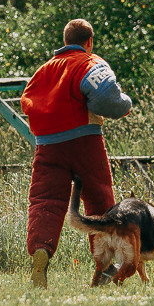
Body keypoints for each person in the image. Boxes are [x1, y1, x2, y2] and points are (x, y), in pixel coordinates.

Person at [20, 19, 132, 288]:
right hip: (85, 143)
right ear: (89, 41)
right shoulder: (88, 62)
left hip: (47, 147)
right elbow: (107, 97)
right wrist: (126, 103)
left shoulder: (42, 71)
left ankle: (41, 251)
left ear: (64, 39)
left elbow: (27, 101)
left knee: (45, 201)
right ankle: (104, 266)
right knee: (99, 201)